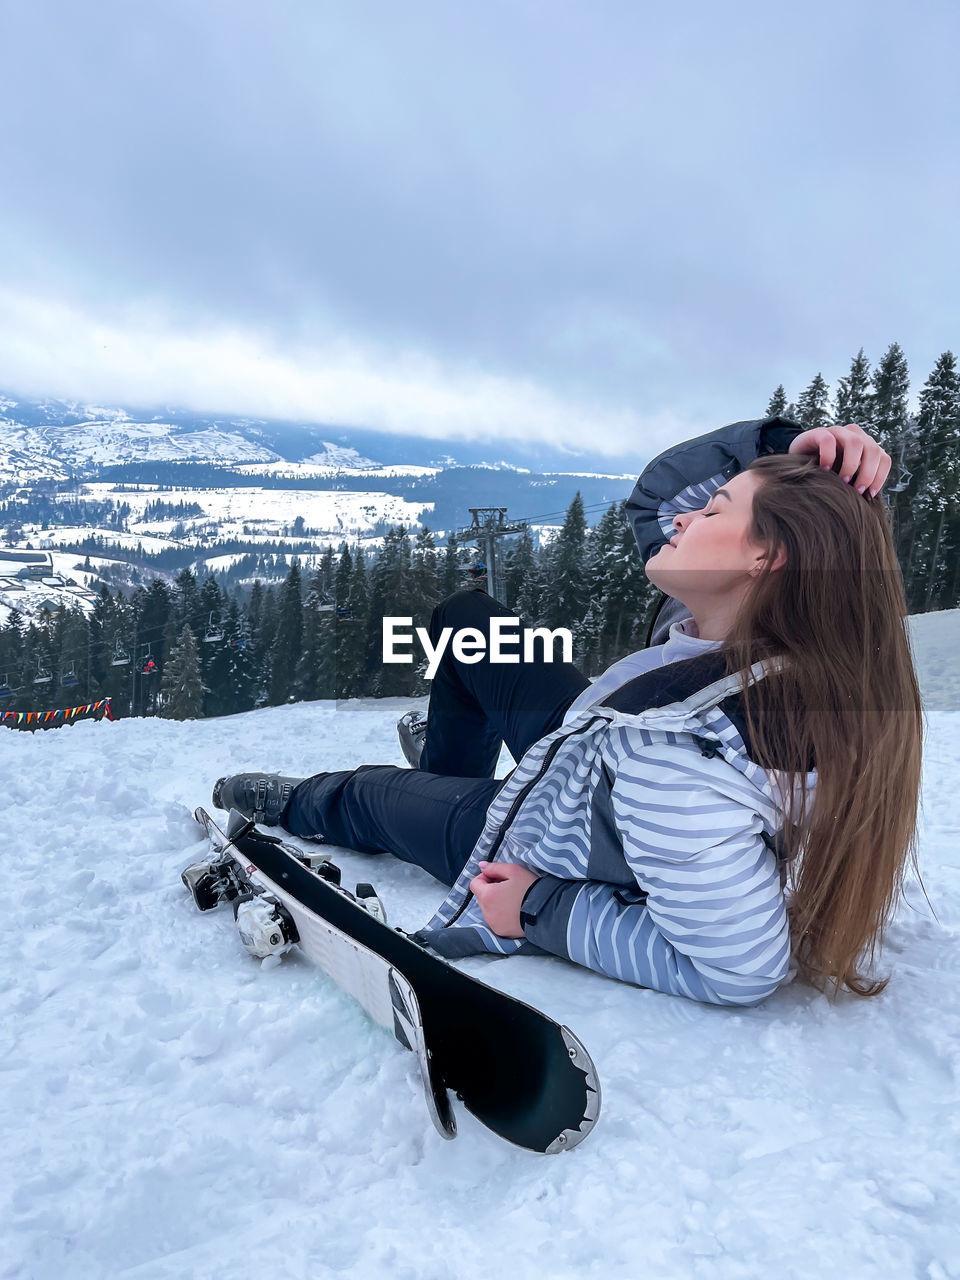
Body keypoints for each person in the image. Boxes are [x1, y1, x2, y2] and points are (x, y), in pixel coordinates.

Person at [214, 416, 923, 1006]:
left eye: (712, 512)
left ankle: (318, 802)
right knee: (469, 622)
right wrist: (789, 445)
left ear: (766, 558)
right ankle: (445, 773)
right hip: (594, 753)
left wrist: (535, 908)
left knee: (371, 796)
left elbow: (739, 969)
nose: (682, 515)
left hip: (550, 832)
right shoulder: (772, 621)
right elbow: (658, 497)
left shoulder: (677, 767)